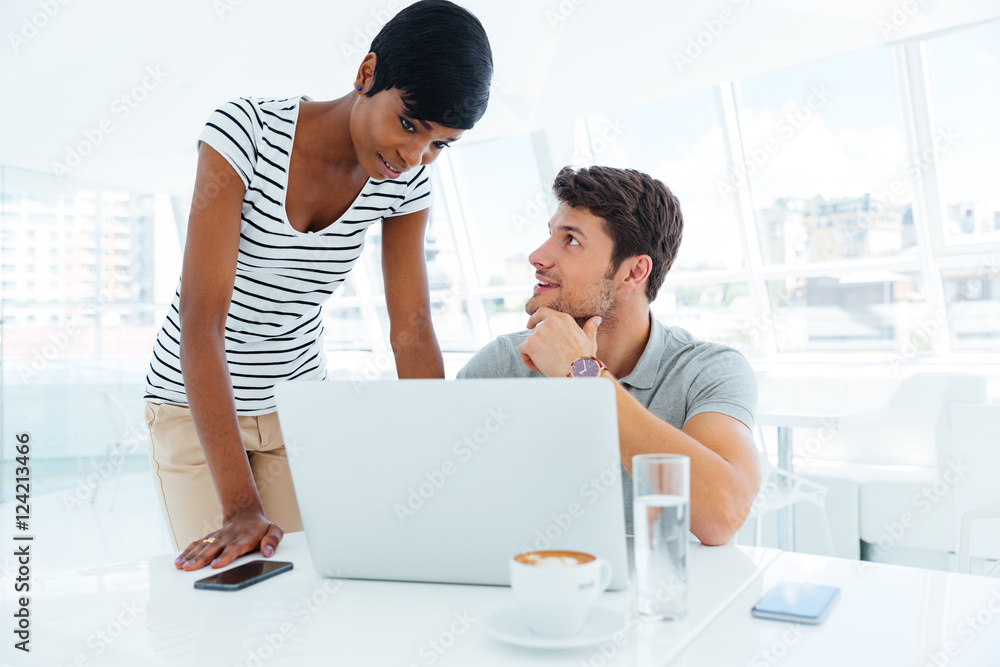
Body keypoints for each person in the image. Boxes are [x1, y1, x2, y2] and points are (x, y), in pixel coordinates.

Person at [143, 0, 493, 571]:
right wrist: (239, 507)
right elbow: (202, 321)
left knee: (305, 591)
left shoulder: (404, 183)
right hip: (195, 409)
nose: (413, 156)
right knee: (230, 584)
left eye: (438, 144)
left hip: (299, 409)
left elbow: (411, 331)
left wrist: (444, 465)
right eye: (408, 125)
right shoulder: (245, 133)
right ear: (366, 74)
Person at [457, 166, 760, 545]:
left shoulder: (707, 370)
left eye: (571, 241)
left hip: (663, 597)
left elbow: (723, 513)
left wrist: (581, 373)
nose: (537, 256)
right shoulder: (504, 362)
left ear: (634, 272)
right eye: (550, 234)